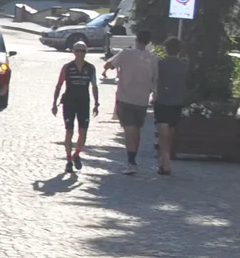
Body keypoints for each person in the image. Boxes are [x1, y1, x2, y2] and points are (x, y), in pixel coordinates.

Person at [105, 32, 159, 176]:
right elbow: (156, 80)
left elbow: (109, 65)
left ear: (136, 40)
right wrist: (154, 94)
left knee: (129, 131)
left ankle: (131, 161)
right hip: (142, 100)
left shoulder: (125, 53)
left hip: (125, 98)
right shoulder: (153, 59)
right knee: (136, 130)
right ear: (148, 43)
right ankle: (133, 158)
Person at [53, 38, 98, 173]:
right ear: (73, 52)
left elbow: (94, 86)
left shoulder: (90, 68)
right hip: (69, 103)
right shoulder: (67, 67)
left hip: (84, 102)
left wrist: (97, 103)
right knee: (69, 131)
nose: (80, 53)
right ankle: (68, 160)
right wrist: (54, 103)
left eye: (83, 51)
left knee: (83, 132)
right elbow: (59, 85)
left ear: (86, 52)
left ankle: (76, 154)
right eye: (77, 51)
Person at [151, 37, 189, 176]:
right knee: (170, 134)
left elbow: (153, 80)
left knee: (162, 134)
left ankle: (166, 162)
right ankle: (163, 161)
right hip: (177, 102)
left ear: (166, 49)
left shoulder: (160, 64)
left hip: (162, 102)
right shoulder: (184, 65)